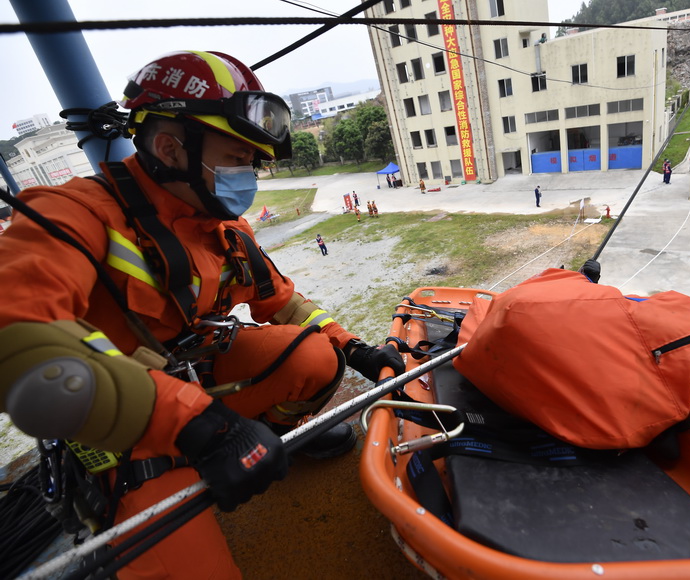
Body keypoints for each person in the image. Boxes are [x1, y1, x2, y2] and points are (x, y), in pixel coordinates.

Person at [0, 50, 404, 579]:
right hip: (122, 424)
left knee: (315, 357)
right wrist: (198, 427)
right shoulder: (70, 216)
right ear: (170, 148)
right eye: (238, 157)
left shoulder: (223, 229)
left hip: (198, 382)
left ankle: (270, 441)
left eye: (253, 162)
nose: (249, 176)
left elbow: (281, 301)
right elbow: (21, 346)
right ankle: (187, 470)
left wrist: (355, 349)